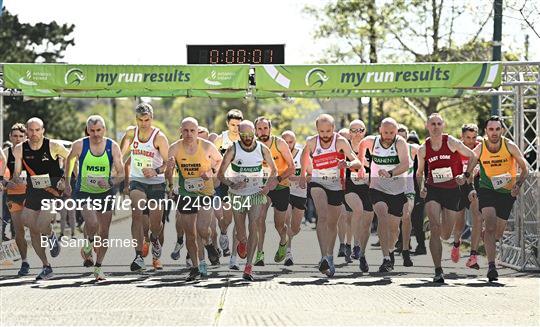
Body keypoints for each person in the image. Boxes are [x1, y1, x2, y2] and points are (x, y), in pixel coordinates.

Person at [300, 114, 363, 277]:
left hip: (335, 185)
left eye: (328, 131)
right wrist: (302, 175)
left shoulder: (340, 142)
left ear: (333, 129)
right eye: (322, 131)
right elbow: (304, 156)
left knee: (332, 223)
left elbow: (357, 162)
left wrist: (347, 164)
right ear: (317, 130)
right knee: (322, 215)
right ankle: (323, 257)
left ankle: (329, 256)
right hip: (317, 182)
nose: (325, 135)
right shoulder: (312, 141)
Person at [416, 113, 477, 283]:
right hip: (433, 189)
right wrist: (421, 187)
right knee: (436, 228)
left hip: (451, 190)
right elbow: (420, 172)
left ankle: (435, 226)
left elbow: (472, 156)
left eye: (438, 124)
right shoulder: (423, 148)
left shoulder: (451, 142)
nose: (436, 127)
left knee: (445, 234)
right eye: (432, 124)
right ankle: (438, 270)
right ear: (427, 126)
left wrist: (465, 175)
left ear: (443, 126)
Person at [64, 115, 124, 280]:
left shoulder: (113, 147)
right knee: (92, 222)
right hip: (84, 191)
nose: (96, 134)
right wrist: (67, 182)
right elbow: (69, 161)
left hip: (104, 192)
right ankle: (89, 243)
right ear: (88, 130)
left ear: (104, 130)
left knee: (104, 232)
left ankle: (98, 267)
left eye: (99, 130)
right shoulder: (80, 144)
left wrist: (110, 182)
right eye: (92, 131)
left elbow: (121, 172)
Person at [217, 120, 276, 281]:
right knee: (240, 230)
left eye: (250, 134)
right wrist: (232, 183)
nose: (247, 138)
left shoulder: (262, 149)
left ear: (254, 134)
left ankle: (248, 267)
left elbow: (274, 171)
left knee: (254, 225)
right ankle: (242, 242)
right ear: (239, 135)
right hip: (237, 194)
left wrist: (267, 187)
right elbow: (220, 175)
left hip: (256, 193)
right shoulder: (232, 149)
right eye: (244, 135)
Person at [11, 117, 69, 280]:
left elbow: (72, 158)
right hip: (33, 191)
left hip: (52, 192)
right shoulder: (20, 149)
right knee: (30, 225)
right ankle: (46, 266)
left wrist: (65, 179)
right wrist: (16, 179)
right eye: (31, 130)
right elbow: (17, 172)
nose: (34, 133)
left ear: (43, 130)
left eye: (37, 130)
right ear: (26, 132)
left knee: (42, 224)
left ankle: (51, 236)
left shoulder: (53, 145)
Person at [472, 116, 528, 282]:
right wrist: (468, 176)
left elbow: (524, 168)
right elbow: (469, 164)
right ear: (485, 131)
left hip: (506, 192)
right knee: (489, 225)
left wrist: (518, 184)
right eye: (491, 129)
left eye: (497, 129)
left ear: (502, 130)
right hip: (487, 189)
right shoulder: (480, 148)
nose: (494, 132)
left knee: (497, 233)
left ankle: (488, 237)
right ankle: (491, 266)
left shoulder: (509, 146)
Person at [166, 117, 223, 281]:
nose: (189, 134)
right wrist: (169, 172)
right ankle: (196, 267)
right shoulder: (174, 148)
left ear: (197, 131)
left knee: (203, 230)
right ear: (181, 131)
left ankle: (210, 245)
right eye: (185, 130)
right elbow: (168, 175)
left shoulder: (206, 146)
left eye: (192, 130)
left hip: (205, 192)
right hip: (185, 194)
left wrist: (210, 172)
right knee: (190, 234)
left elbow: (219, 161)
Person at [120, 103, 169, 272]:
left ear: (151, 119)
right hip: (138, 181)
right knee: (137, 214)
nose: (143, 123)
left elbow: (169, 163)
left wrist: (155, 170)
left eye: (147, 120)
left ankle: (154, 239)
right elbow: (120, 155)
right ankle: (138, 256)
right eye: (140, 120)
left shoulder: (159, 137)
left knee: (156, 224)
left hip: (156, 183)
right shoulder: (131, 133)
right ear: (136, 120)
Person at [358, 118, 410, 273]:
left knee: (394, 230)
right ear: (380, 130)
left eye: (392, 133)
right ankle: (386, 258)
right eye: (385, 132)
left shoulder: (400, 143)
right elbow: (362, 145)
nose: (388, 135)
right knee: (382, 215)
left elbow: (406, 164)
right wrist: (361, 165)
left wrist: (390, 172)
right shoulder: (371, 141)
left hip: (396, 190)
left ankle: (390, 249)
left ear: (396, 131)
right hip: (377, 187)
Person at [254, 117, 295, 266]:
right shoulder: (253, 145)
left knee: (279, 225)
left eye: (265, 128)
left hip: (280, 185)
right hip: (261, 186)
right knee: (259, 219)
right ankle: (260, 254)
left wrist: (276, 180)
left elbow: (292, 168)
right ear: (255, 130)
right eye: (259, 129)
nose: (263, 132)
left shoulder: (279, 143)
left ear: (270, 129)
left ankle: (283, 241)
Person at [214, 109, 243, 267]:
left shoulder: (244, 139)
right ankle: (223, 232)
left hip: (239, 184)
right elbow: (212, 159)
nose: (235, 128)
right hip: (224, 183)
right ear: (227, 124)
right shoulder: (220, 139)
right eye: (233, 125)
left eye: (238, 125)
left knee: (237, 219)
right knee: (227, 219)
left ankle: (234, 257)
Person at [2, 123, 29, 276]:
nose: (18, 139)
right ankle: (25, 262)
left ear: (25, 137)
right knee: (18, 230)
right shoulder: (5, 153)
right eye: (15, 136)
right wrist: (7, 182)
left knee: (34, 226)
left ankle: (49, 234)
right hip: (13, 195)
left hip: (31, 194)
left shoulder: (31, 151)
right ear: (10, 137)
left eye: (20, 136)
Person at [455, 124, 483, 269]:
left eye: (473, 137)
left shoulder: (480, 147)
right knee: (459, 222)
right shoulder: (457, 148)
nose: (471, 141)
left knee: (477, 217)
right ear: (462, 137)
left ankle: (473, 255)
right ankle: (456, 243)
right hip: (460, 186)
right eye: (468, 138)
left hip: (475, 185)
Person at [281, 130, 308, 266]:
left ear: (295, 142)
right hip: (285, 192)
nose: (288, 144)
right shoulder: (279, 155)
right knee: (286, 221)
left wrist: (297, 178)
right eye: (285, 142)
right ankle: (288, 252)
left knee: (295, 228)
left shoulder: (302, 154)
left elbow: (311, 174)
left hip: (300, 194)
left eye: (290, 142)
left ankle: (287, 240)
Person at [396, 124, 418, 267]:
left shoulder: (413, 149)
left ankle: (405, 251)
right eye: (399, 137)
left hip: (408, 189)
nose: (402, 140)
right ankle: (390, 251)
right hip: (390, 189)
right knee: (392, 224)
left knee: (406, 217)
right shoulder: (388, 151)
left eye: (405, 137)